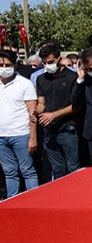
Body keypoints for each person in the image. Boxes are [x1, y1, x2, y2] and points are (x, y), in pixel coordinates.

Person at [35, 44, 80, 179]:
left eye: (50, 62)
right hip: (49, 130)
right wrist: (36, 112)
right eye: (44, 63)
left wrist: (54, 115)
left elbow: (76, 106)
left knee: (73, 168)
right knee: (58, 169)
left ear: (59, 59)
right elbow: (41, 102)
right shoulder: (41, 79)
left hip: (67, 129)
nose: (48, 66)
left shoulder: (72, 77)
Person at [0, 50, 38, 197]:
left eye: (7, 65)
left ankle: (33, 202)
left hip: (21, 135)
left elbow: (32, 113)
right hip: (1, 137)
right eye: (1, 64)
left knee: (28, 171)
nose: (4, 68)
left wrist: (33, 138)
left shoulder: (25, 84)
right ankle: (12, 202)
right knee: (9, 172)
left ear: (15, 65)